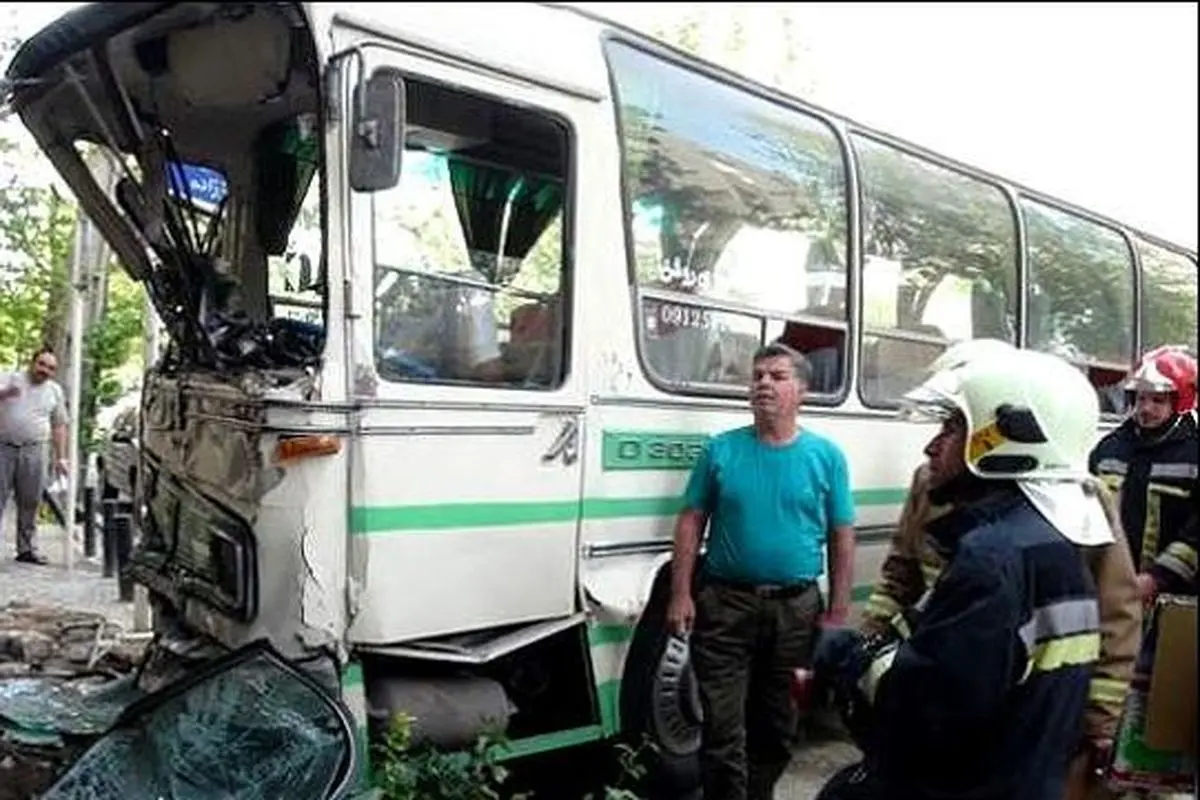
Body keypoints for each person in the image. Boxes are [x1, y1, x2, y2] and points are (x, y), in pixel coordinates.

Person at [816, 345, 1111, 800]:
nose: (931, 446)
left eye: (952, 428)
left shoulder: (992, 559)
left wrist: (841, 657)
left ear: (1007, 438)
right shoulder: (1055, 542)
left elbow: (927, 715)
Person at [666, 341, 856, 800]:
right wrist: (680, 593)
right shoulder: (721, 451)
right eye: (758, 377)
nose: (764, 384)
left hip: (796, 612)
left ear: (802, 391)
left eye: (777, 376)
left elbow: (841, 535)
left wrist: (837, 613)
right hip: (725, 606)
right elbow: (691, 521)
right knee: (721, 729)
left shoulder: (826, 457)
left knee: (779, 724)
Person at [1089, 345, 1198, 605]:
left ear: (1180, 402)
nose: (1146, 408)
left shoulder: (1194, 453)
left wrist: (1156, 579)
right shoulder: (1109, 449)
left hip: (1178, 598)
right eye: (1140, 399)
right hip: (1112, 591)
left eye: (1158, 400)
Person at [0, 347, 70, 565]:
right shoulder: (9, 379)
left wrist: (61, 457)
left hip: (35, 449)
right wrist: (4, 395)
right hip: (4, 447)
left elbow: (59, 425)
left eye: (51, 368)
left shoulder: (54, 391)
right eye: (41, 364)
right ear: (32, 363)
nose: (45, 370)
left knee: (31, 500)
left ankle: (27, 548)